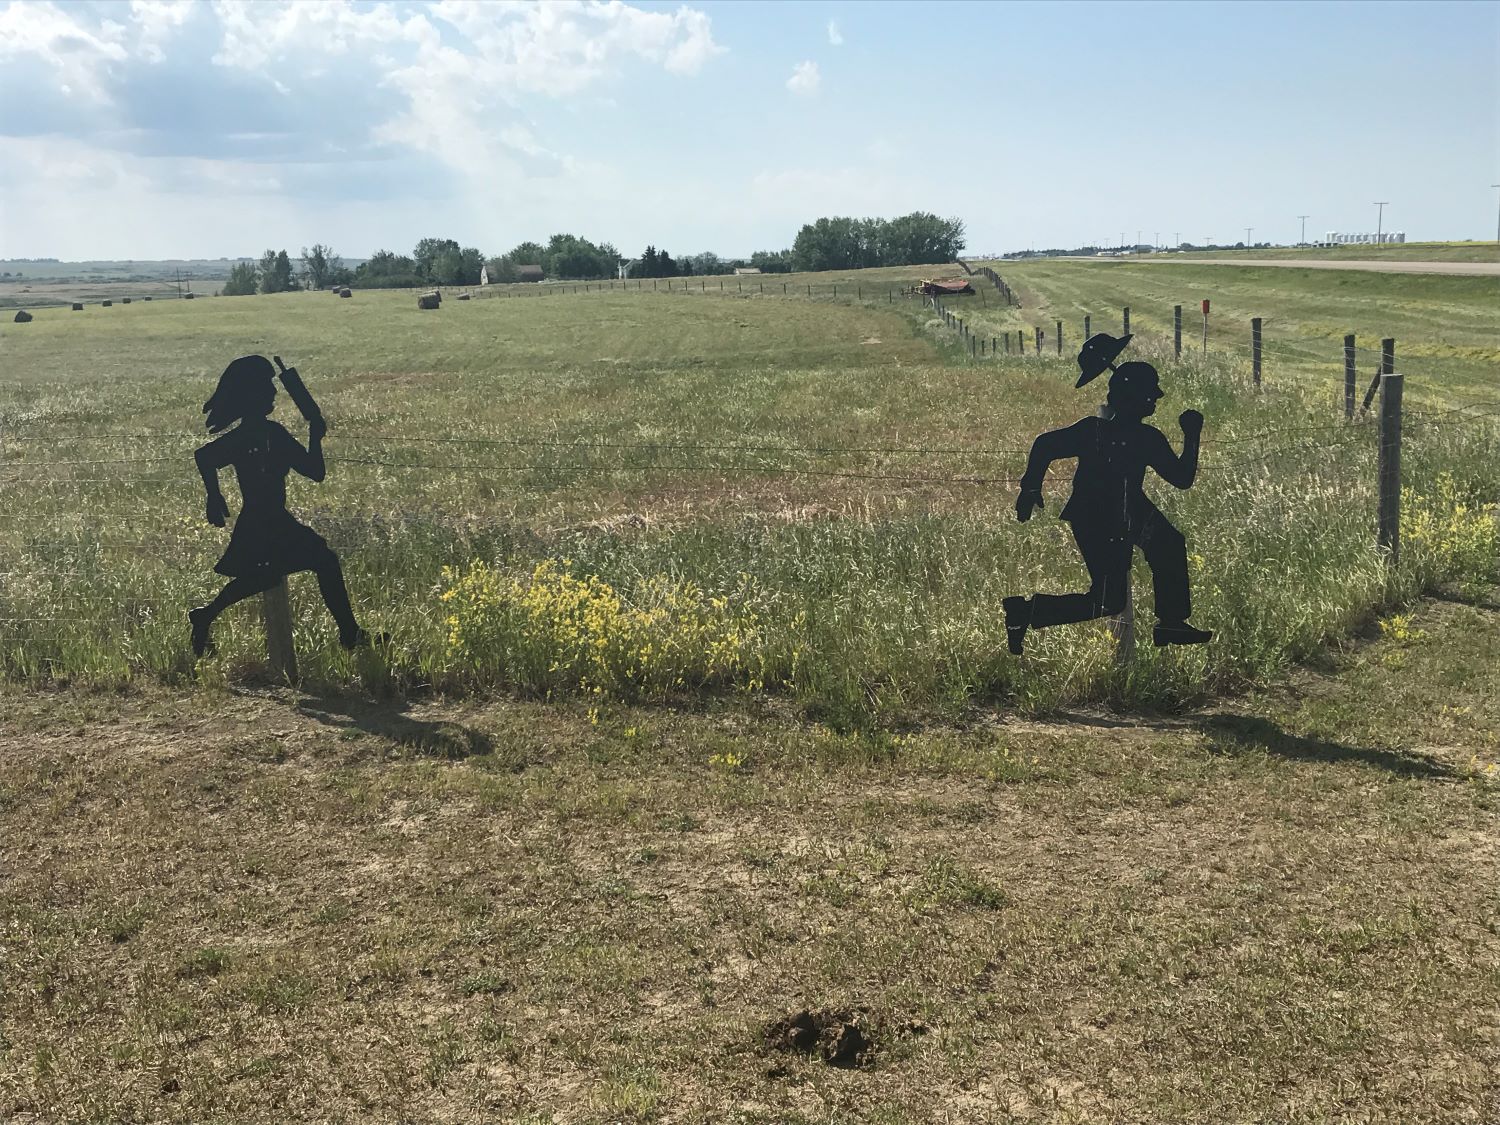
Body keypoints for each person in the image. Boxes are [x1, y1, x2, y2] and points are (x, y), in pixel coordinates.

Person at [1002, 346, 1212, 655]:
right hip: (1097, 515)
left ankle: (1171, 622)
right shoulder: (1114, 433)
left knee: (1165, 546)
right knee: (1109, 599)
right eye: (1149, 394)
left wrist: (1031, 488)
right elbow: (1045, 445)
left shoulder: (1133, 436)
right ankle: (1026, 612)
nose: (1155, 399)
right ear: (1133, 397)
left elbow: (1181, 479)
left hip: (1124, 509)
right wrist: (1030, 488)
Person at [189, 354, 370, 657]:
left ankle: (205, 615)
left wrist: (315, 436)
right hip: (260, 522)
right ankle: (349, 634)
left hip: (274, 519)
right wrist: (213, 496)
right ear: (252, 394)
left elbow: (314, 472)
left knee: (274, 574)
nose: (274, 392)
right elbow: (204, 457)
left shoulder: (274, 434)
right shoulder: (250, 436)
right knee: (310, 564)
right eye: (267, 386)